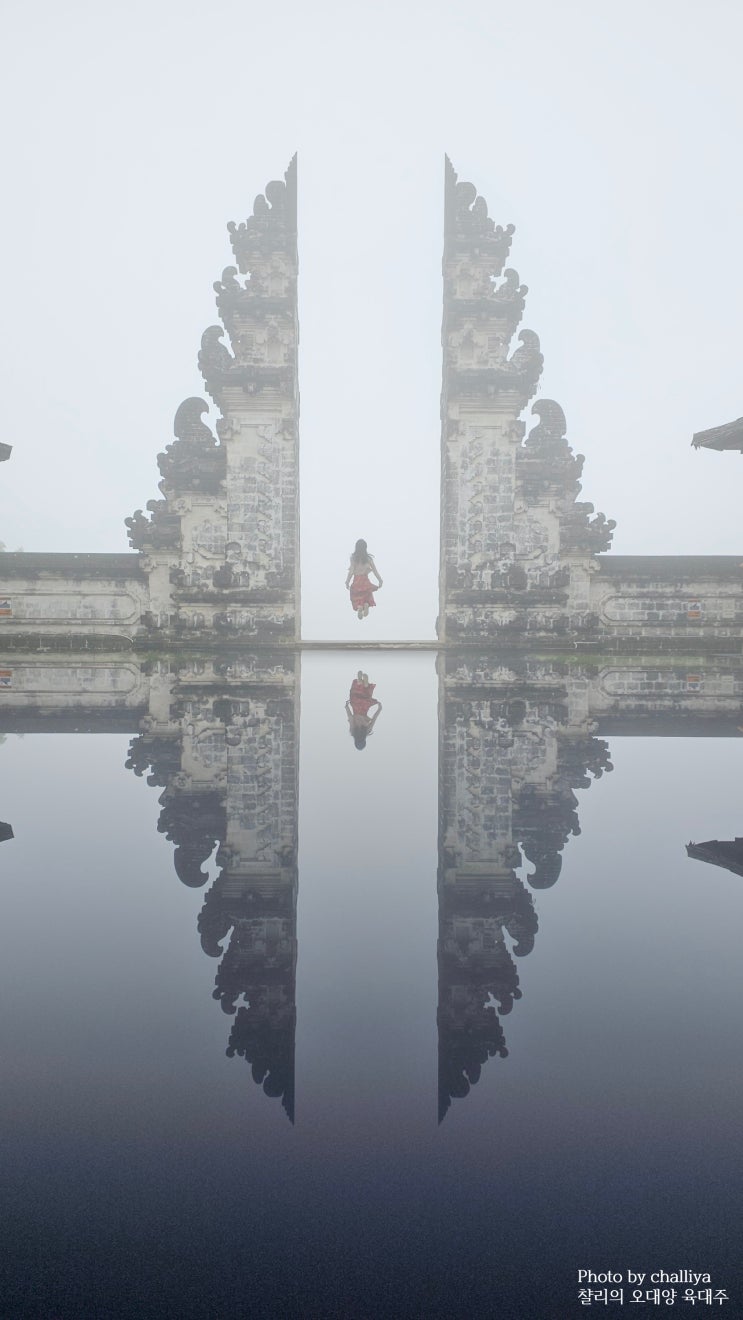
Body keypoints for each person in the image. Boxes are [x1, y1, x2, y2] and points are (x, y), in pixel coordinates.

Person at [345, 539, 383, 618]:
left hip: (356, 582)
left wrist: (347, 581)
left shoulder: (353, 558)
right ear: (365, 548)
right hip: (365, 581)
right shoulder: (368, 559)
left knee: (356, 598)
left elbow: (351, 571)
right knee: (367, 597)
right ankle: (366, 604)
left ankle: (359, 607)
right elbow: (375, 571)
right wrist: (380, 580)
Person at [346, 671, 382, 750]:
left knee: (366, 695)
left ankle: (365, 685)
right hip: (355, 705)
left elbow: (374, 719)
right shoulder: (353, 731)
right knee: (355, 693)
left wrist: (379, 709)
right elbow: (351, 718)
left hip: (364, 707)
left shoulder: (367, 730)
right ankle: (359, 682)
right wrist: (346, 707)